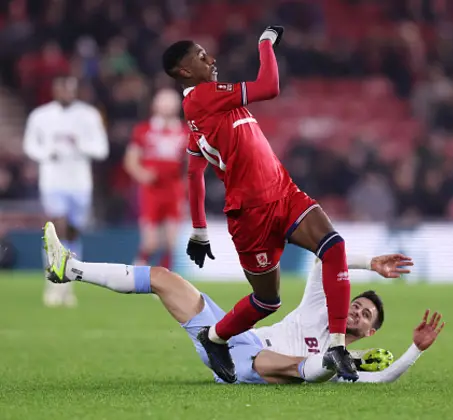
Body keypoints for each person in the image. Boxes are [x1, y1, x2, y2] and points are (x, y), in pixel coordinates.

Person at [161, 27, 359, 382]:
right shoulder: (203, 98)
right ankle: (215, 337)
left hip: (284, 193)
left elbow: (194, 172)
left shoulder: (201, 113)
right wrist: (265, 42)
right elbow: (269, 86)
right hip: (251, 214)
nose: (212, 59)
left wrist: (200, 231)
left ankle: (338, 345)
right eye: (201, 55)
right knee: (267, 301)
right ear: (184, 71)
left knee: (334, 246)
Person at [42, 221, 444, 384]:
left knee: (302, 368)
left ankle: (330, 362)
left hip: (257, 367)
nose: (356, 310)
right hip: (229, 344)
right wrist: (370, 264)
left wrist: (414, 351)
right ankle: (69, 269)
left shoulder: (341, 366)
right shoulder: (319, 308)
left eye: (365, 314)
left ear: (370, 332)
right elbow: (327, 257)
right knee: (164, 279)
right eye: (357, 303)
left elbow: (381, 379)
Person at [23, 76, 109, 308]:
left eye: (69, 89)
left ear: (75, 91)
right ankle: (54, 282)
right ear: (54, 90)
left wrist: (80, 144)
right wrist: (46, 153)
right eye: (61, 88)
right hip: (53, 180)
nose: (65, 93)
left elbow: (102, 149)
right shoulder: (40, 115)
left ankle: (68, 281)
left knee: (72, 233)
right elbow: (30, 145)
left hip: (80, 182)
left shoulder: (89, 115)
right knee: (56, 229)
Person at [124, 89, 190, 269]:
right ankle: (138, 268)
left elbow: (192, 163)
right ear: (155, 105)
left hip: (174, 189)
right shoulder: (143, 130)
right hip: (151, 190)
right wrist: (142, 174)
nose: (168, 105)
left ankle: (163, 279)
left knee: (171, 242)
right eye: (164, 101)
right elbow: (131, 160)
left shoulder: (185, 132)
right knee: (151, 242)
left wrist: (187, 184)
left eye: (171, 101)